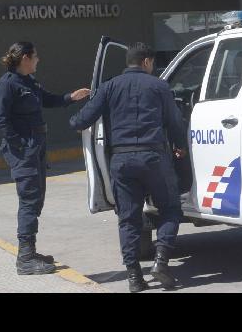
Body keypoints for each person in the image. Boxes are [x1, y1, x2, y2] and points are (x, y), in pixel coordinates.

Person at [69, 42, 186, 293]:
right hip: (154, 157)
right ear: (146, 62)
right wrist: (180, 147)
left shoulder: (108, 87)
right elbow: (174, 121)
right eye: (152, 64)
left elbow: (82, 119)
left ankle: (134, 277)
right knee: (170, 209)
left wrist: (74, 119)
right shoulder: (159, 86)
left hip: (121, 161)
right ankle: (162, 262)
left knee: (128, 220)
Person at [0, 41, 90, 275]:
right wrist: (22, 145)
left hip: (36, 149)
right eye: (35, 56)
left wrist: (71, 97)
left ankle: (30, 250)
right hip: (24, 152)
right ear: (25, 58)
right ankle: (25, 259)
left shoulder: (29, 82)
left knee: (36, 200)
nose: (38, 60)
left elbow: (47, 99)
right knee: (29, 200)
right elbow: (0, 121)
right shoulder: (7, 85)